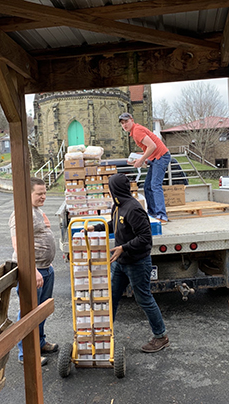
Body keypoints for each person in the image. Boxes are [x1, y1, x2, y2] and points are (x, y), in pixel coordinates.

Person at [89, 173, 169, 353]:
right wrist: (97, 228)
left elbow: (146, 238)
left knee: (144, 299)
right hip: (120, 262)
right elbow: (115, 224)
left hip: (137, 262)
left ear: (114, 189)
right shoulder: (118, 206)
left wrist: (123, 248)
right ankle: (105, 334)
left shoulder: (133, 209)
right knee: (112, 298)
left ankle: (161, 336)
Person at [9, 177, 58, 366]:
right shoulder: (20, 214)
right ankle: (27, 354)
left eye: (45, 193)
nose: (43, 196)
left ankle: (40, 343)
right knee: (29, 312)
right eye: (39, 193)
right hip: (33, 271)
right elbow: (18, 245)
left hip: (45, 269)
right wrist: (32, 269)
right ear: (27, 194)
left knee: (42, 311)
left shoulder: (35, 211)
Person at [119, 112, 171, 223]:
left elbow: (153, 146)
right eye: (122, 123)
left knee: (155, 185)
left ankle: (162, 216)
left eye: (126, 122)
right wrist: (141, 159)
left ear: (132, 120)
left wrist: (141, 160)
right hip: (156, 158)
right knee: (147, 186)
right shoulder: (135, 131)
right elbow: (149, 148)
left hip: (161, 157)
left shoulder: (137, 131)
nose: (124, 125)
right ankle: (152, 213)